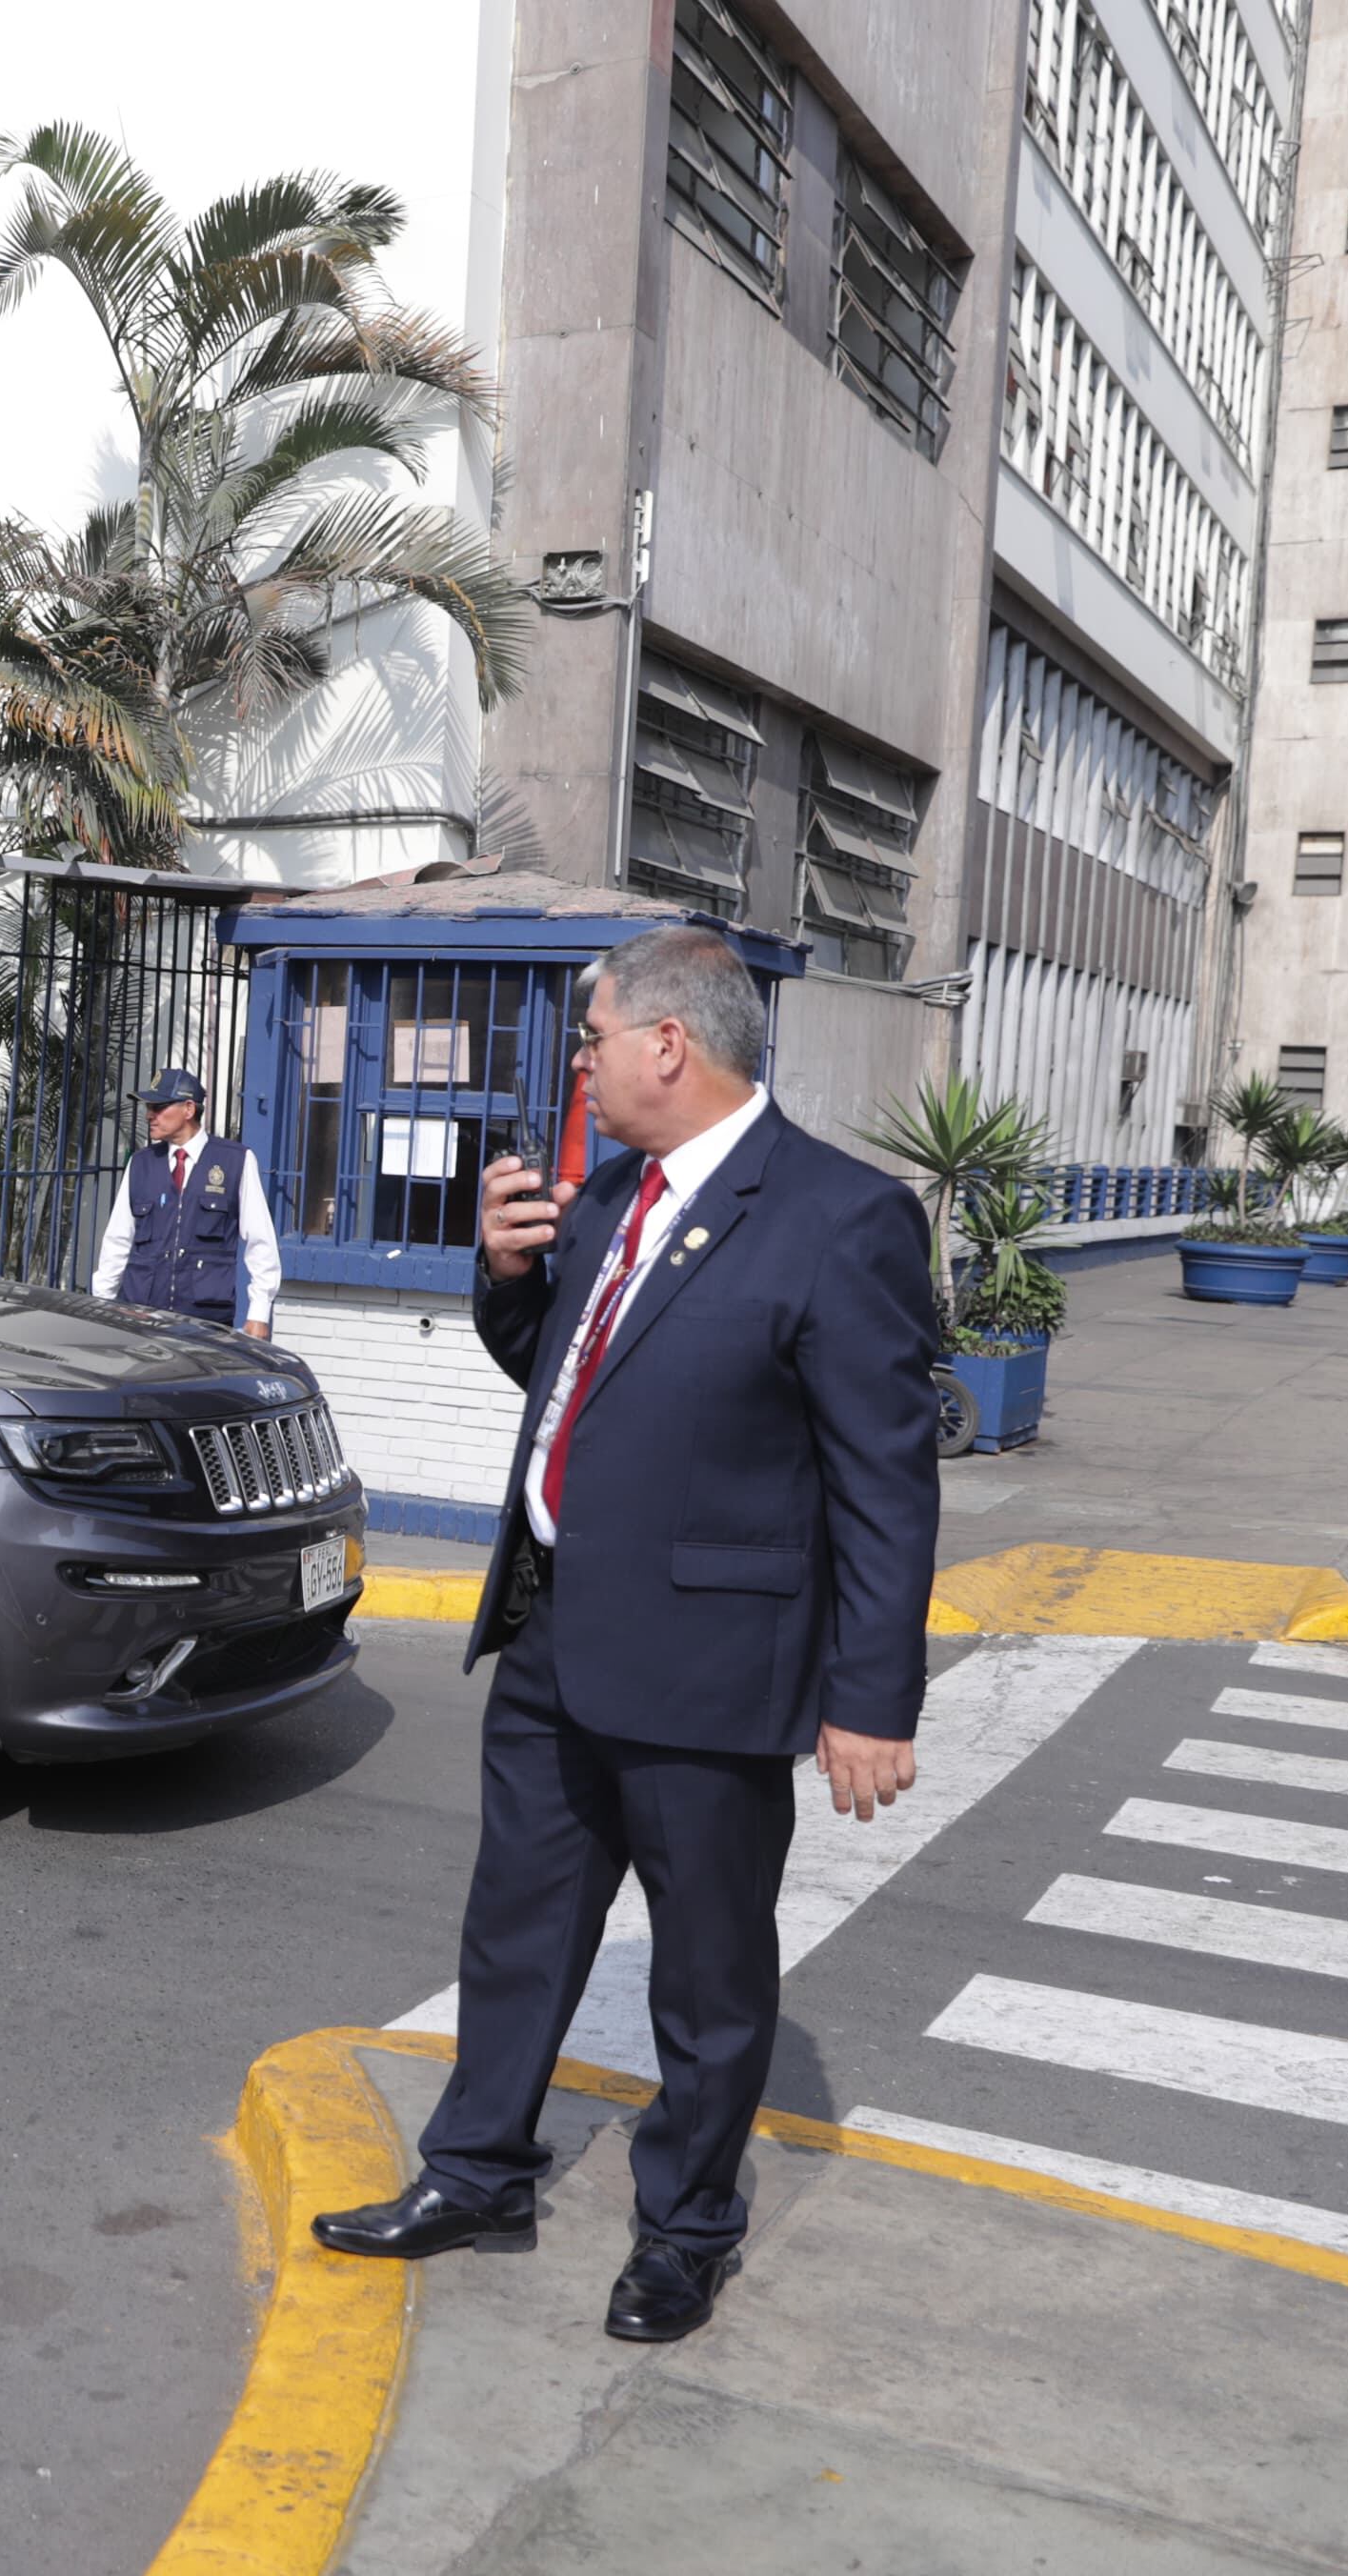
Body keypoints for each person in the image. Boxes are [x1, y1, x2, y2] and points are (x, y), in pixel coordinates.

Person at [310, 924, 937, 2344]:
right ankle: (477, 2176)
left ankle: (687, 2230)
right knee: (518, 1925)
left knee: (706, 1974)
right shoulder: (606, 1198)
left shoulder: (840, 1218)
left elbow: (887, 1479)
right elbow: (558, 1373)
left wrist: (871, 1696)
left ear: (670, 1042)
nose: (577, 1064)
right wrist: (506, 1273)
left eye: (592, 1037)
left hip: (712, 1667)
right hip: (551, 1635)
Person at [91, 1065, 278, 1338]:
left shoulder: (235, 1160)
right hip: (142, 1313)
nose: (149, 1116)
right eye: (149, 1108)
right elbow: (118, 1239)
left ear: (189, 1109)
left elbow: (261, 1242)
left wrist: (259, 1313)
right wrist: (103, 1304)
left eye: (159, 1107)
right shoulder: (141, 1163)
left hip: (204, 1317)